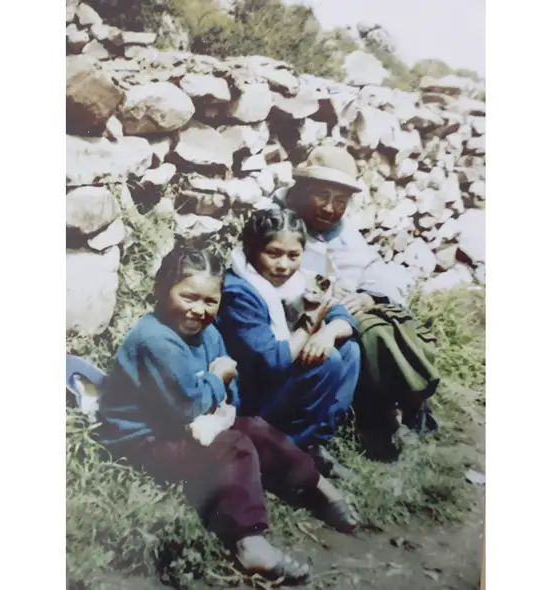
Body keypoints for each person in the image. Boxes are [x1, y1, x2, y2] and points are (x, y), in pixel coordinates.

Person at [96, 246, 359, 585]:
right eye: (188, 297)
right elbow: (186, 408)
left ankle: (318, 489)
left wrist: (222, 388)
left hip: (188, 423)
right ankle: (249, 541)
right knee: (233, 444)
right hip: (144, 442)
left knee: (257, 430)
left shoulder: (209, 333)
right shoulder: (155, 341)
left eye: (210, 301)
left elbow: (226, 394)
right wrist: (217, 380)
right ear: (160, 290)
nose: (198, 310)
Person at [276, 145, 443, 456]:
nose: (330, 208)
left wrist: (367, 296)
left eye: (340, 201)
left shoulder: (341, 231)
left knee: (395, 323)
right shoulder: (280, 221)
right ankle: (382, 420)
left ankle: (407, 408)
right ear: (302, 189)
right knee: (373, 333)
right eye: (322, 196)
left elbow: (372, 269)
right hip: (306, 314)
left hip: (344, 307)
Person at [215, 208, 362, 480]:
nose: (283, 265)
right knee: (328, 361)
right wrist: (309, 323)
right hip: (250, 395)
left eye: (293, 255)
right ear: (252, 250)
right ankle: (282, 451)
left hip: (280, 381)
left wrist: (327, 332)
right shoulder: (241, 292)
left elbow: (342, 316)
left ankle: (315, 443)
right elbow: (272, 361)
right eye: (273, 254)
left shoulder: (300, 281)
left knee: (348, 348)